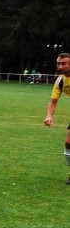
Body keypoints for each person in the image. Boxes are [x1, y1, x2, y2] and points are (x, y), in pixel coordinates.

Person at [43, 52, 70, 185]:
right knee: (68, 143)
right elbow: (53, 101)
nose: (60, 66)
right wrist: (49, 116)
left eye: (63, 63)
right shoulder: (60, 81)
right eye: (58, 63)